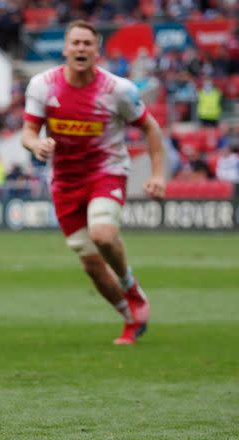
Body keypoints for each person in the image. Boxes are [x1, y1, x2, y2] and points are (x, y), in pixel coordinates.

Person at [21, 20, 166, 346]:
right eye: (76, 43)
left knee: (102, 234)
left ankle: (131, 288)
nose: (81, 48)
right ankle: (131, 319)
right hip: (64, 183)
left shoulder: (118, 90)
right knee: (91, 265)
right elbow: (28, 132)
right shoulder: (43, 86)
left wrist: (157, 175)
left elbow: (151, 129)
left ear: (97, 50)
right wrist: (36, 145)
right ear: (66, 49)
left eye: (88, 43)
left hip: (106, 172)